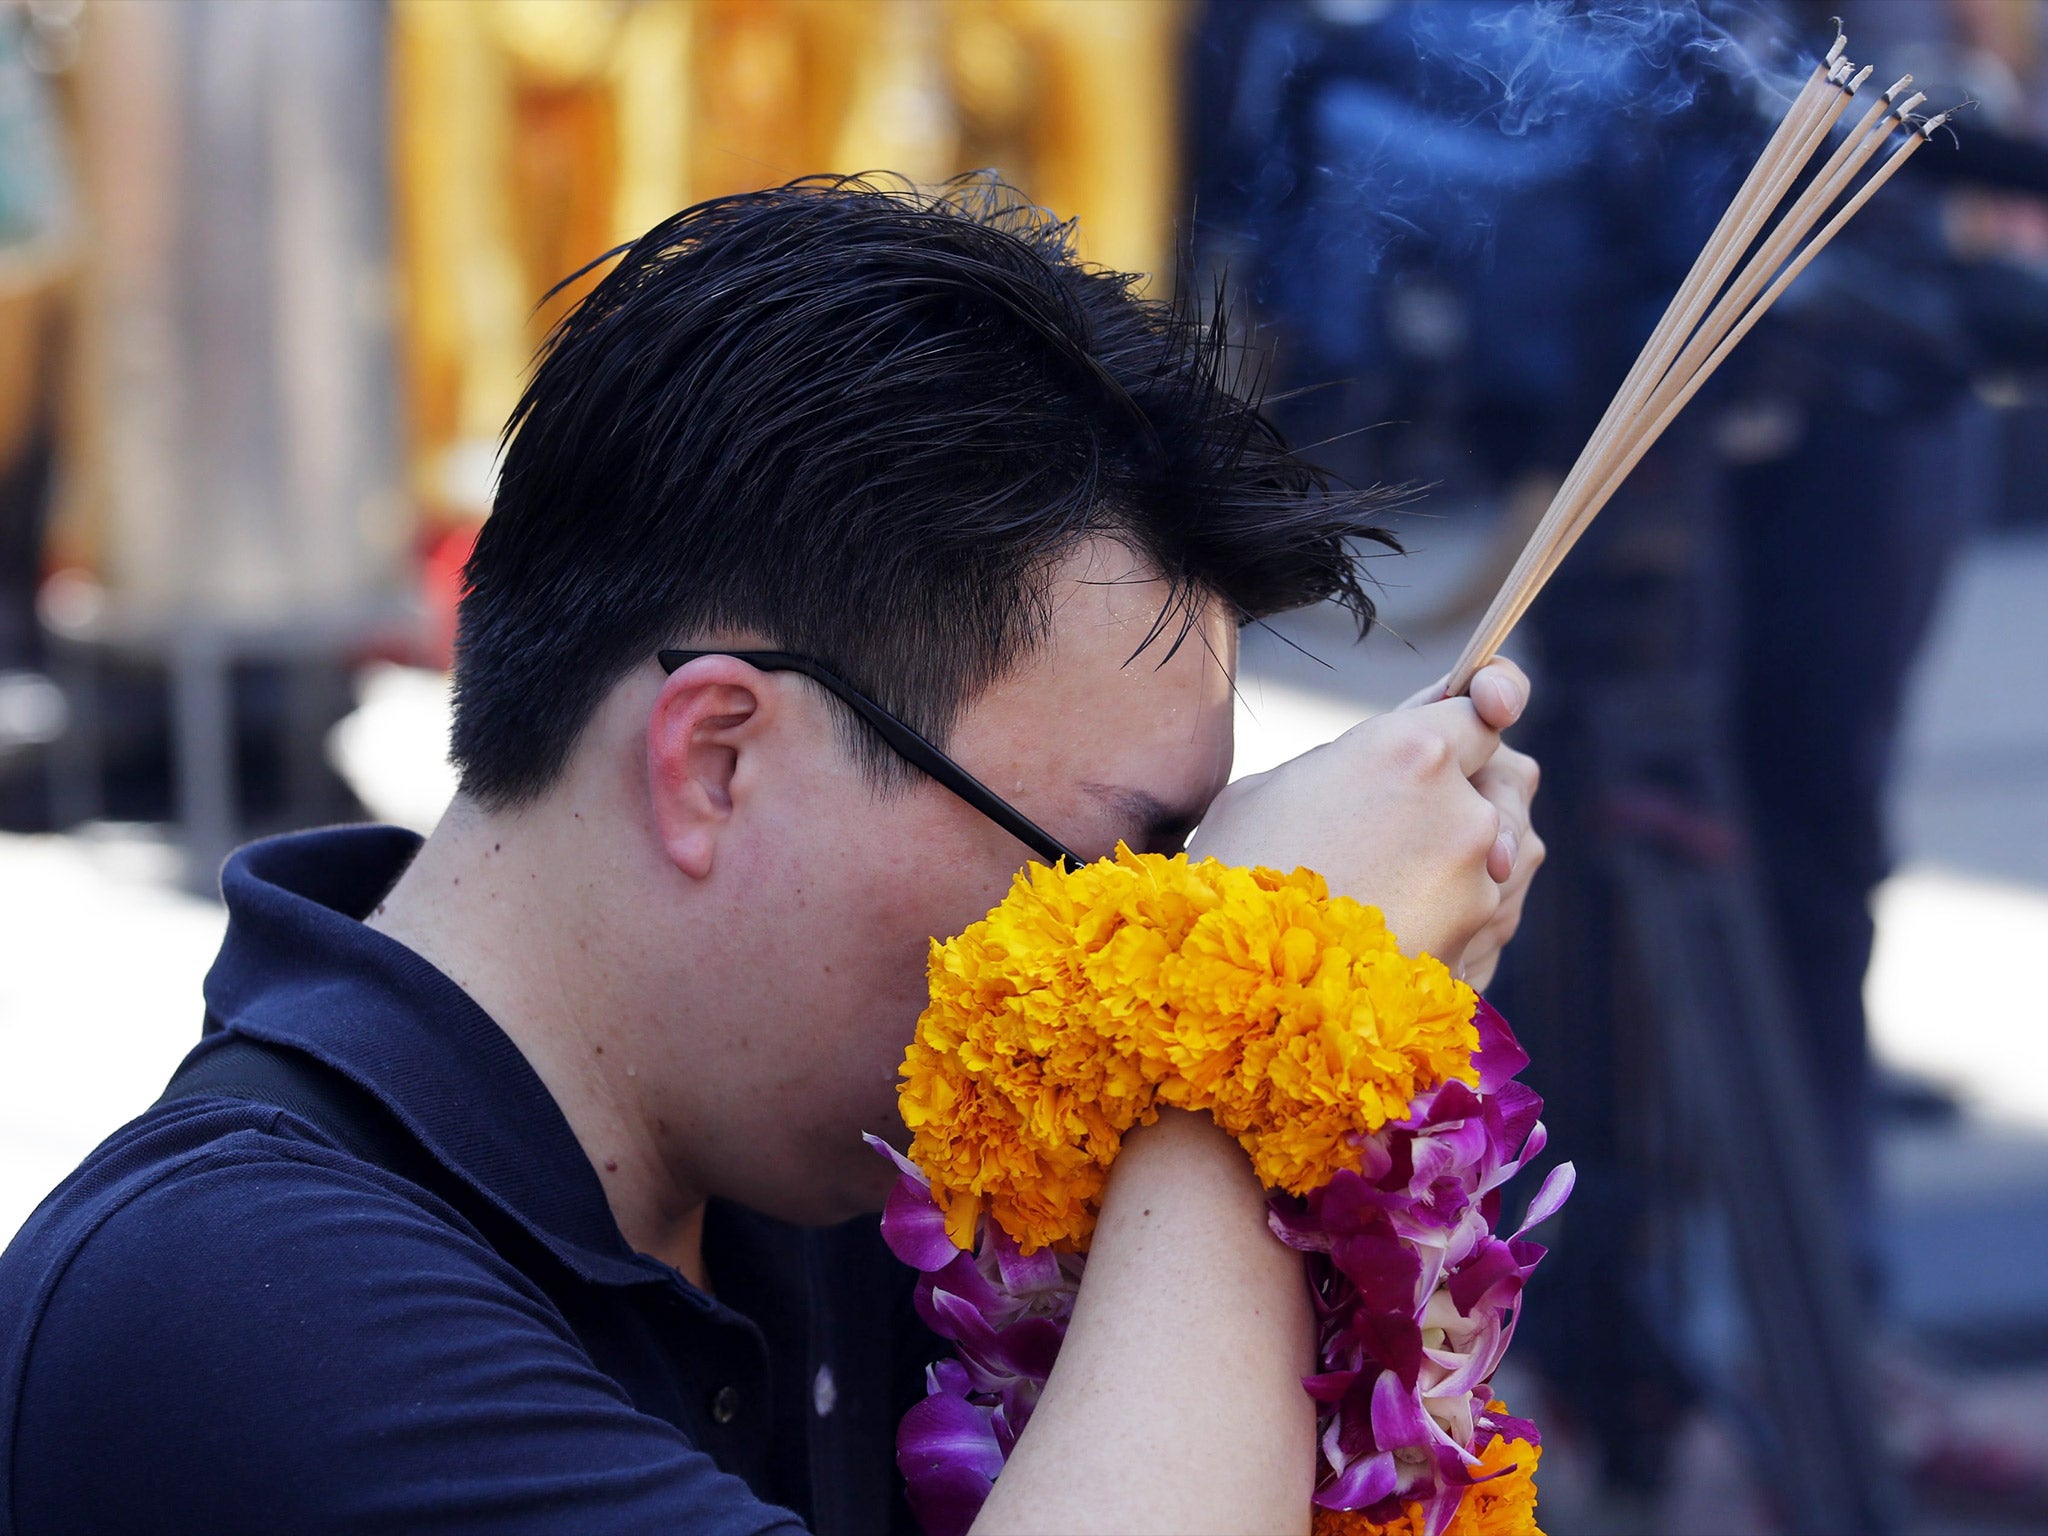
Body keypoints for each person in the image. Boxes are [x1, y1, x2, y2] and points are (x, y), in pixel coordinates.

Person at [0, 175, 1542, 1535]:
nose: (1129, 968)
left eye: (1180, 893)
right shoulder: (231, 1304)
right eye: (1104, 878)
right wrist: (1266, 1024)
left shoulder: (831, 1193)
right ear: (717, 760)